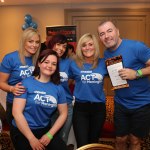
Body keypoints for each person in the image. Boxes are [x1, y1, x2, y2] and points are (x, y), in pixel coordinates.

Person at [97, 20, 150, 150]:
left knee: (135, 140)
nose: (106, 36)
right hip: (120, 103)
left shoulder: (136, 47)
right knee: (120, 139)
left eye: (110, 31)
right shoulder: (107, 54)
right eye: (102, 33)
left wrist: (136, 73)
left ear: (117, 31)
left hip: (142, 104)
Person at [11, 49, 68, 150]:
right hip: (22, 131)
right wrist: (32, 139)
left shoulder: (59, 88)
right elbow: (16, 113)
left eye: (54, 64)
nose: (50, 66)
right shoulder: (26, 83)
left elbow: (63, 113)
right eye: (46, 62)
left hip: (44, 130)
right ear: (39, 63)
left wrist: (49, 135)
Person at [69, 33, 107, 148]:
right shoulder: (74, 64)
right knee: (82, 144)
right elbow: (66, 84)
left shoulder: (103, 63)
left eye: (90, 44)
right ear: (80, 48)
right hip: (80, 109)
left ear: (95, 46)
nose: (87, 48)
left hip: (98, 109)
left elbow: (119, 76)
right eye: (84, 45)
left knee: (93, 142)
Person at [0, 27, 41, 135]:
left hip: (34, 104)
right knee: (18, 137)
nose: (34, 45)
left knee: (34, 137)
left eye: (37, 42)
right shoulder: (10, 58)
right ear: (23, 41)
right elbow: (1, 82)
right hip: (14, 104)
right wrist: (11, 88)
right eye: (30, 41)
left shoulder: (38, 59)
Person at [47, 34, 74, 144]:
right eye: (58, 44)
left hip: (66, 105)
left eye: (64, 46)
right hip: (49, 106)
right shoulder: (44, 60)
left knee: (63, 139)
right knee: (49, 139)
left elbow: (71, 80)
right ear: (52, 44)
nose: (61, 48)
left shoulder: (69, 63)